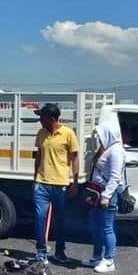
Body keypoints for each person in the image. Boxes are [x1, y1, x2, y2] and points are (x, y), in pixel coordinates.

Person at [32, 102, 80, 264]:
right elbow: (38, 156)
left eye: (42, 117)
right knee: (39, 217)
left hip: (60, 184)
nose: (40, 120)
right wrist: (34, 177)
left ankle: (60, 251)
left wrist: (75, 182)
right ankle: (41, 252)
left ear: (51, 118)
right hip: (41, 183)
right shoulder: (41, 133)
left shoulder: (68, 134)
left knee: (60, 219)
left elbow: (75, 158)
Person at [87, 110, 125, 273]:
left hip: (107, 194)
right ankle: (96, 256)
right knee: (95, 225)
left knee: (107, 227)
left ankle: (109, 260)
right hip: (98, 192)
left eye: (101, 134)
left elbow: (115, 177)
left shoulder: (116, 151)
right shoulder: (108, 148)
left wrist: (106, 196)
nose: (99, 138)